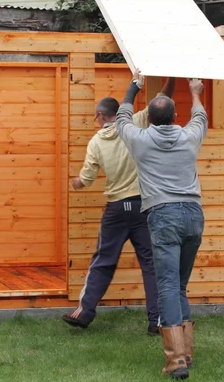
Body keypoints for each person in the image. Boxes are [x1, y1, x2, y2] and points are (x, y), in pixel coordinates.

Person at [62, 76, 176, 336]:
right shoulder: (135, 123)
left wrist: (76, 182)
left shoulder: (95, 142)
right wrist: (171, 76)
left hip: (116, 210)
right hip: (143, 207)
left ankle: (84, 312)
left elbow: (87, 179)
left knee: (103, 261)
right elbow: (163, 100)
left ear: (101, 115)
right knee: (151, 264)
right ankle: (156, 322)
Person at [116, 69, 207, 380]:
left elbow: (122, 117)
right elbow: (201, 115)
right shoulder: (190, 136)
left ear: (150, 120)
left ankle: (176, 360)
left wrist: (134, 86)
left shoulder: (139, 140)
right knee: (179, 286)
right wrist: (195, 91)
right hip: (194, 216)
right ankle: (187, 352)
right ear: (175, 115)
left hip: (164, 216)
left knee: (167, 286)